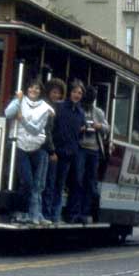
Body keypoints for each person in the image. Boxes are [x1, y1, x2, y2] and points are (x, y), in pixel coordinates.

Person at [4, 79, 54, 225]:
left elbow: (36, 129)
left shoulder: (45, 107)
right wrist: (17, 100)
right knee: (27, 181)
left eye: (37, 88)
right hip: (19, 146)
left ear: (41, 91)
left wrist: (23, 120)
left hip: (36, 149)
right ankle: (20, 212)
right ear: (27, 89)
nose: (34, 90)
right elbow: (8, 114)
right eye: (31, 87)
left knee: (35, 184)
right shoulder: (20, 100)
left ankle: (28, 214)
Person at [51, 79, 87, 223]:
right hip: (56, 152)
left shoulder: (80, 112)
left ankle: (56, 215)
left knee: (60, 185)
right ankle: (49, 214)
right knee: (51, 184)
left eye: (79, 93)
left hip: (69, 154)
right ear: (69, 93)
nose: (77, 95)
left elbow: (80, 131)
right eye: (74, 92)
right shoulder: (59, 107)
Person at [77, 85, 110, 224]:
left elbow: (107, 128)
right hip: (80, 148)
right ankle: (75, 211)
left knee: (90, 182)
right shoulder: (79, 110)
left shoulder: (98, 112)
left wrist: (99, 126)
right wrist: (81, 128)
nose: (90, 100)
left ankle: (85, 212)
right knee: (78, 179)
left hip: (94, 150)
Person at [41, 78, 67, 222]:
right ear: (49, 92)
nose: (56, 96)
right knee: (48, 182)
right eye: (54, 92)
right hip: (48, 150)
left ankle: (51, 213)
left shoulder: (60, 108)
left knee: (54, 183)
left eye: (59, 93)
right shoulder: (47, 107)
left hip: (58, 150)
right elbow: (47, 131)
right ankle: (46, 213)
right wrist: (51, 150)